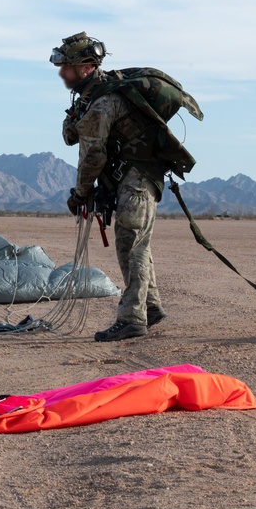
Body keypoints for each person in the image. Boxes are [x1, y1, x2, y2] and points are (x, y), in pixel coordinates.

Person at [54, 32, 167, 342]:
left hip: (138, 181)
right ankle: (151, 307)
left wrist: (80, 193)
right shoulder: (91, 98)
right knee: (135, 245)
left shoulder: (103, 102)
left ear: (87, 67)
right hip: (131, 180)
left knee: (132, 247)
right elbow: (76, 138)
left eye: (67, 66)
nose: (61, 72)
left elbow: (92, 154)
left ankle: (132, 318)